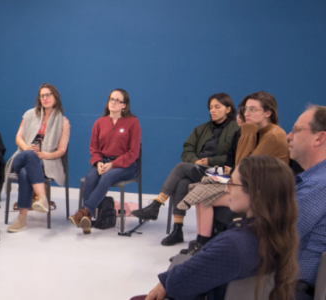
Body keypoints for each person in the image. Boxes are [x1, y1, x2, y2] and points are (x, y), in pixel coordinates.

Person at [131, 155, 298, 300]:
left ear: (256, 193)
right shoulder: (281, 234)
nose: (226, 189)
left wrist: (165, 281)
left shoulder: (234, 244)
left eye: (233, 183)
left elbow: (177, 283)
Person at [184, 91, 289, 254]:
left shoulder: (272, 135)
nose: (246, 113)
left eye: (252, 110)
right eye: (245, 109)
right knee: (201, 190)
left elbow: (243, 167)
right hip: (250, 186)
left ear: (268, 113)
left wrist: (246, 132)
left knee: (204, 196)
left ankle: (203, 245)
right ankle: (202, 242)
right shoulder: (258, 132)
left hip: (263, 194)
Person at [131, 93, 239, 245]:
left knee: (181, 167)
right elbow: (187, 149)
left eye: (217, 107)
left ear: (228, 109)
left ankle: (156, 205)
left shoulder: (236, 130)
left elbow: (233, 157)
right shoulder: (201, 129)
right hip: (199, 169)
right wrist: (195, 160)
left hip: (220, 173)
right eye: (210, 107)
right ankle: (178, 230)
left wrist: (210, 160)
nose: (212, 111)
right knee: (182, 183)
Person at [68, 89, 140, 234]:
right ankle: (86, 218)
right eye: (111, 99)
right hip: (103, 162)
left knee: (107, 176)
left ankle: (84, 211)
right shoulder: (99, 123)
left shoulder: (133, 122)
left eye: (117, 100)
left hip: (126, 166)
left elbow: (133, 153)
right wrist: (98, 162)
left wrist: (113, 164)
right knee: (91, 176)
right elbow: (94, 148)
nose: (113, 102)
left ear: (124, 105)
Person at [5, 83, 70, 232]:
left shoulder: (63, 122)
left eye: (48, 95)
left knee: (25, 174)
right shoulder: (29, 114)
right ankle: (42, 197)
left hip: (42, 161)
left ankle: (22, 220)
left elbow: (61, 150)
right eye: (42, 96)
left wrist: (46, 155)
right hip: (21, 157)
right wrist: (27, 148)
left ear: (55, 97)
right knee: (29, 155)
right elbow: (18, 138)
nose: (45, 98)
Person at [287, 105, 326, 300]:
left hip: (294, 291)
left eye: (296, 130)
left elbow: (273, 238)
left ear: (319, 138)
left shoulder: (318, 185)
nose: (288, 136)